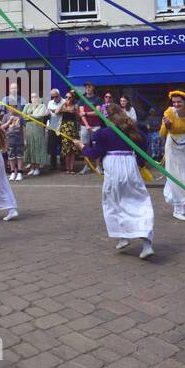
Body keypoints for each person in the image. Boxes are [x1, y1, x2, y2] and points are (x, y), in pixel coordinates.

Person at [78, 104, 154, 258]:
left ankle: (122, 236)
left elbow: (95, 153)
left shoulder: (103, 133)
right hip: (130, 166)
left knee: (113, 202)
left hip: (113, 168)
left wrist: (82, 147)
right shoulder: (133, 131)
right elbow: (142, 147)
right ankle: (144, 243)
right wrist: (140, 164)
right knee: (139, 202)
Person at [159, 89, 185, 219]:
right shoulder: (169, 112)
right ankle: (177, 209)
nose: (176, 104)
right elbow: (162, 134)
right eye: (174, 102)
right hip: (172, 147)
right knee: (175, 176)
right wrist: (167, 125)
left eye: (179, 102)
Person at [22, 91, 47, 175]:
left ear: (39, 98)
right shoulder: (27, 105)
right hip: (29, 129)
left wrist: (30, 116)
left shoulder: (42, 106)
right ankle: (32, 167)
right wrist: (31, 117)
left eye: (35, 97)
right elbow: (23, 116)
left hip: (38, 130)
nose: (34, 99)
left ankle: (37, 167)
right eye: (32, 97)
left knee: (37, 147)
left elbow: (40, 116)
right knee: (30, 147)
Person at [59, 92, 80, 174]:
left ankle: (72, 168)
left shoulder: (75, 105)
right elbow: (57, 111)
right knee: (66, 149)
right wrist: (64, 104)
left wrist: (74, 112)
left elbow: (78, 116)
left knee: (73, 149)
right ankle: (67, 168)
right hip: (65, 128)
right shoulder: (63, 105)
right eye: (66, 97)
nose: (68, 98)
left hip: (73, 128)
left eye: (69, 97)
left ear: (73, 98)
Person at [46, 89, 64, 172]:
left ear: (59, 95)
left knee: (62, 146)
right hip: (52, 127)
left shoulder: (64, 101)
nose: (55, 98)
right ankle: (53, 165)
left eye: (56, 96)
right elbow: (48, 112)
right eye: (53, 97)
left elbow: (57, 112)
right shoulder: (50, 102)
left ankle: (63, 164)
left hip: (61, 127)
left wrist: (53, 111)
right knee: (52, 147)